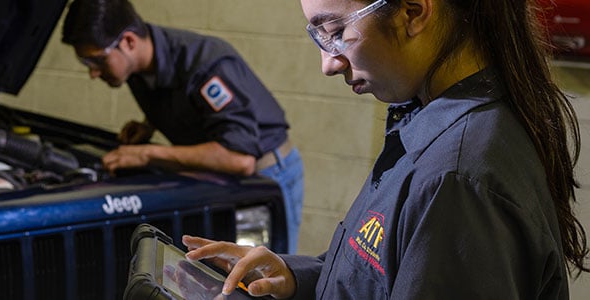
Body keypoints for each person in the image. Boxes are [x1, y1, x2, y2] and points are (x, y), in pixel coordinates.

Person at [182, 0, 590, 298]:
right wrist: (293, 275)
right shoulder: (421, 119)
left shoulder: (458, 177)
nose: (328, 63)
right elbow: (376, 272)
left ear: (413, 12)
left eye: (337, 32)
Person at [61, 0, 305, 253]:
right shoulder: (138, 66)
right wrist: (149, 125)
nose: (93, 73)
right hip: (214, 177)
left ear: (129, 42)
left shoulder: (205, 66)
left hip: (266, 172)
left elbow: (240, 159)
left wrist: (146, 154)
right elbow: (182, 100)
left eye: (97, 61)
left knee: (261, 279)